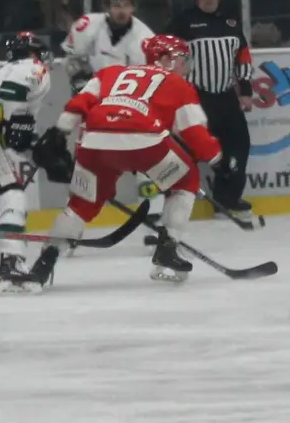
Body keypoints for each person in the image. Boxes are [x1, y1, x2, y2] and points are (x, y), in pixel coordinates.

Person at [25, 34, 225, 288]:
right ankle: (167, 249)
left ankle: (44, 263)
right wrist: (217, 159)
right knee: (186, 180)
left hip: (96, 139)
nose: (185, 66)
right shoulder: (176, 82)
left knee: (80, 204)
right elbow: (195, 134)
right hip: (144, 140)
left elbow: (78, 104)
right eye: (182, 60)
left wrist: (60, 132)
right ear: (164, 59)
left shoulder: (111, 73)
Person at [0, 31, 53, 291]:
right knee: (12, 195)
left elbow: (7, 116)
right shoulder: (34, 68)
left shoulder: (4, 69)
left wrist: (20, 133)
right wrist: (15, 125)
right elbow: (13, 96)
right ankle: (11, 262)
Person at [166, 0, 255, 215]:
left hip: (226, 96)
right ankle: (178, 200)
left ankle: (228, 197)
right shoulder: (183, 22)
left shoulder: (231, 23)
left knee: (239, 145)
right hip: (195, 98)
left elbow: (243, 57)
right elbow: (165, 54)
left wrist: (245, 91)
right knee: (186, 148)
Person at [62, 0, 154, 90]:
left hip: (127, 95)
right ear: (106, 7)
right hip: (91, 88)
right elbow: (71, 59)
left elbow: (148, 79)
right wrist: (81, 82)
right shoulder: (87, 25)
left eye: (126, 5)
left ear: (134, 7)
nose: (122, 11)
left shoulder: (146, 38)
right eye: (116, 5)